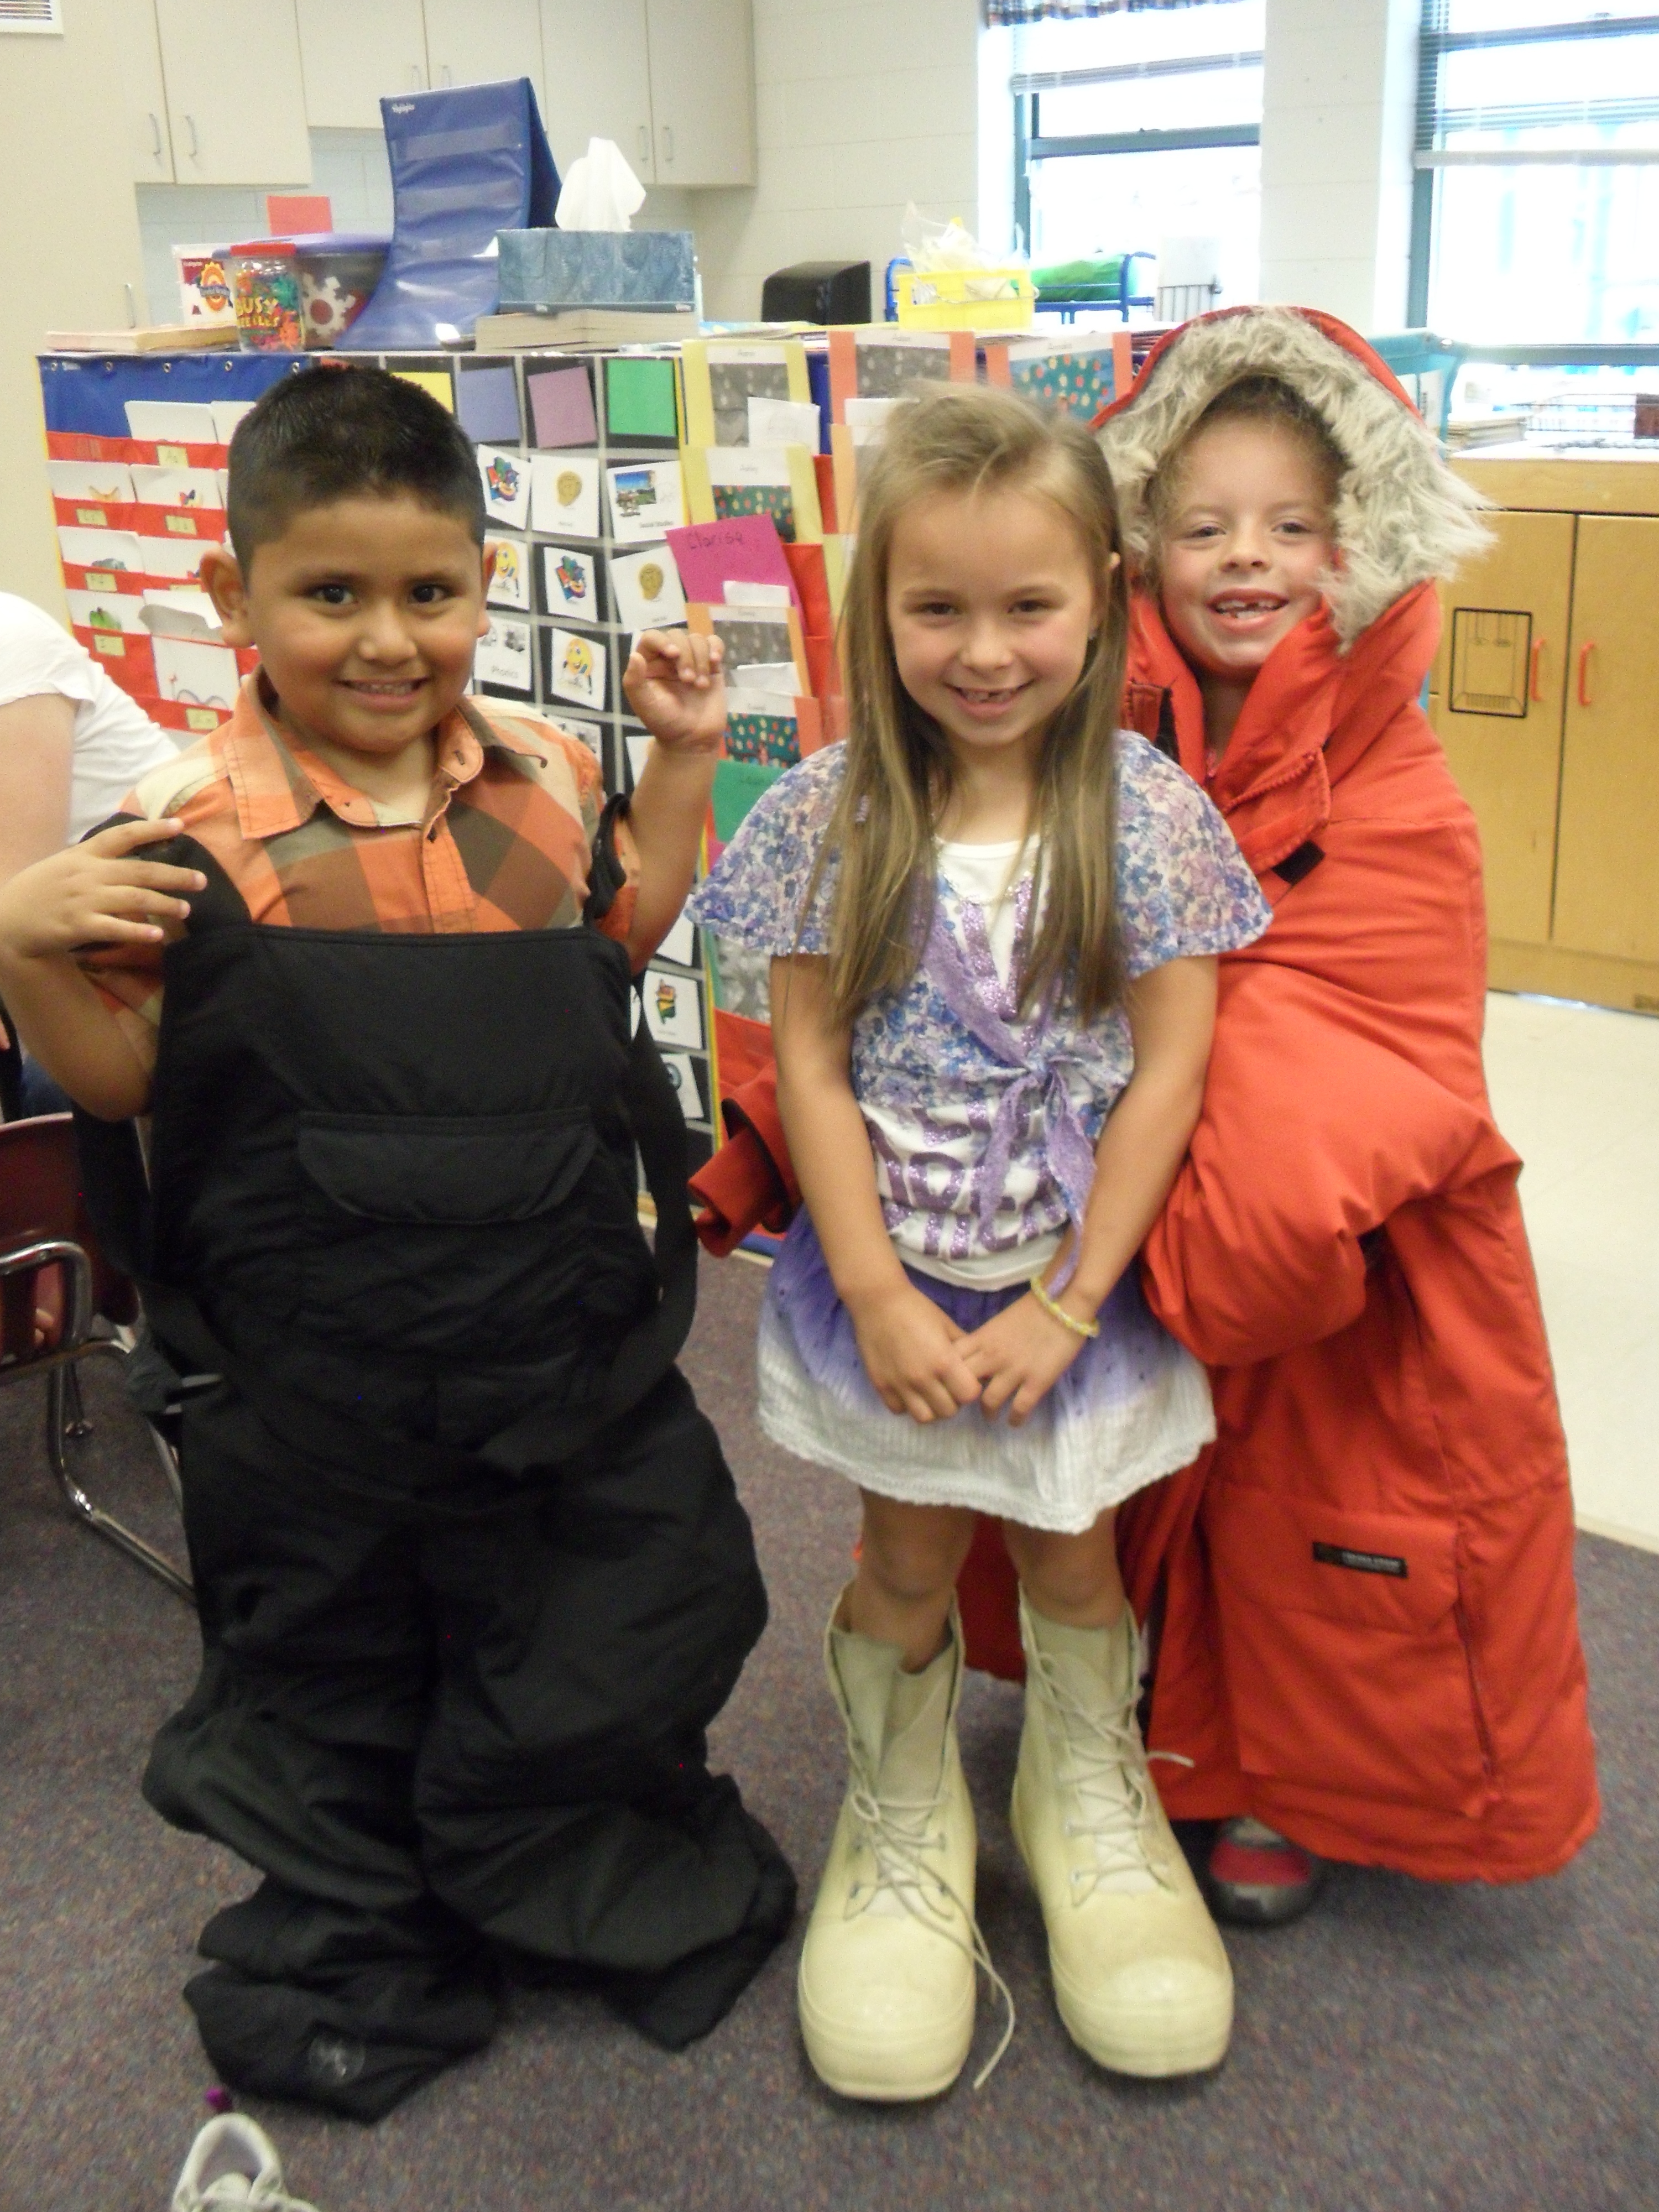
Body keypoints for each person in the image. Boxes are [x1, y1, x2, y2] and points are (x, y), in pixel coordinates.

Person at [0, 364, 794, 2120]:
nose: (385, 639)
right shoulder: (186, 832)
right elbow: (123, 1082)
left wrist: (680, 761)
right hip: (313, 1360)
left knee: (608, 1610)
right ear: (234, 597)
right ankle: (380, 1917)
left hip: (544, 1327)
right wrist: (23, 944)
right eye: (330, 593)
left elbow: (615, 944)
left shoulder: (542, 774)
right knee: (335, 1667)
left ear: (485, 585)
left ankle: (557, 1865)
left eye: (429, 592)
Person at [947, 307, 1599, 1921]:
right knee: (1129, 1476)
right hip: (1110, 1213)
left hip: (1343, 1266)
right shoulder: (1090, 740)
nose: (1247, 558)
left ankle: (1274, 1776)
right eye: (1203, 526)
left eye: (1292, 526)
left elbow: (1381, 1026)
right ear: (1136, 549)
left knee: (1306, 1509)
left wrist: (1220, 1159)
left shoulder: (1399, 785)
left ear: (1358, 546)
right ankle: (1122, 1720)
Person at [687, 385, 1272, 2100]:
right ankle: (903, 1806)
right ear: (876, 603)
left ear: (1104, 595)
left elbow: (1172, 1071)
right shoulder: (828, 813)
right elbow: (804, 1063)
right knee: (908, 1557)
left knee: (1076, 1560)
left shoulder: (1147, 813)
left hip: (1067, 1291)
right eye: (937, 606)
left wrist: (1072, 1303)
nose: (986, 650)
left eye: (1029, 604)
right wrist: (873, 1290)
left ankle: (1081, 1791)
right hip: (901, 1286)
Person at [0, 591, 177, 1115]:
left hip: (147, 966)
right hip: (56, 949)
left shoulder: (9, 638)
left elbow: (14, 891)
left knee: (51, 1092)